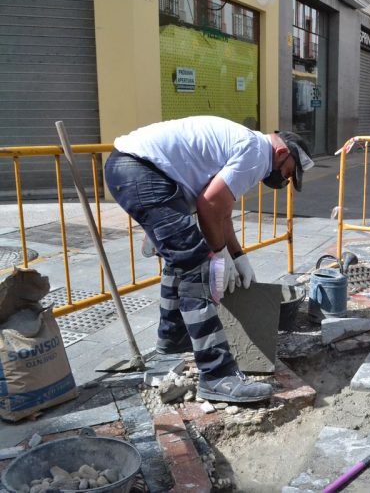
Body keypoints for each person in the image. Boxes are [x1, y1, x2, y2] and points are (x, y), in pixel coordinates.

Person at [105, 116, 314, 403]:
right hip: (143, 173)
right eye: (290, 172)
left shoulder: (250, 147)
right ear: (282, 153)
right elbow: (208, 206)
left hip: (136, 170)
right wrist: (218, 254)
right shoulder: (257, 155)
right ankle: (217, 376)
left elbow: (221, 211)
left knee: (181, 261)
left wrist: (238, 255)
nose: (287, 179)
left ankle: (172, 344)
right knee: (197, 267)